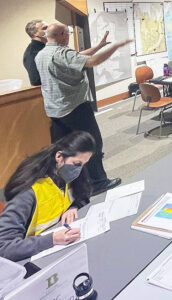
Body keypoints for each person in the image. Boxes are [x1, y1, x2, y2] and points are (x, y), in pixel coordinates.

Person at [35, 23, 129, 196]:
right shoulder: (62, 53)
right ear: (63, 34)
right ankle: (98, 183)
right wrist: (116, 47)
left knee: (64, 149)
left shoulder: (41, 54)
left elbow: (77, 57)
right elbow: (91, 62)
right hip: (74, 108)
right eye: (68, 33)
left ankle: (67, 184)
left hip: (55, 111)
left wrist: (99, 46)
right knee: (92, 143)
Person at [0, 131, 96, 261]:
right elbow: (4, 248)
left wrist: (73, 207)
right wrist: (52, 239)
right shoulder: (27, 193)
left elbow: (84, 195)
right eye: (77, 164)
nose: (79, 170)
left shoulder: (68, 174)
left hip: (61, 249)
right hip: (31, 258)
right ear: (59, 157)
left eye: (84, 164)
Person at [23, 20, 48, 86]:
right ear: (35, 33)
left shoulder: (47, 47)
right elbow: (36, 80)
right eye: (45, 28)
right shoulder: (31, 53)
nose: (49, 30)